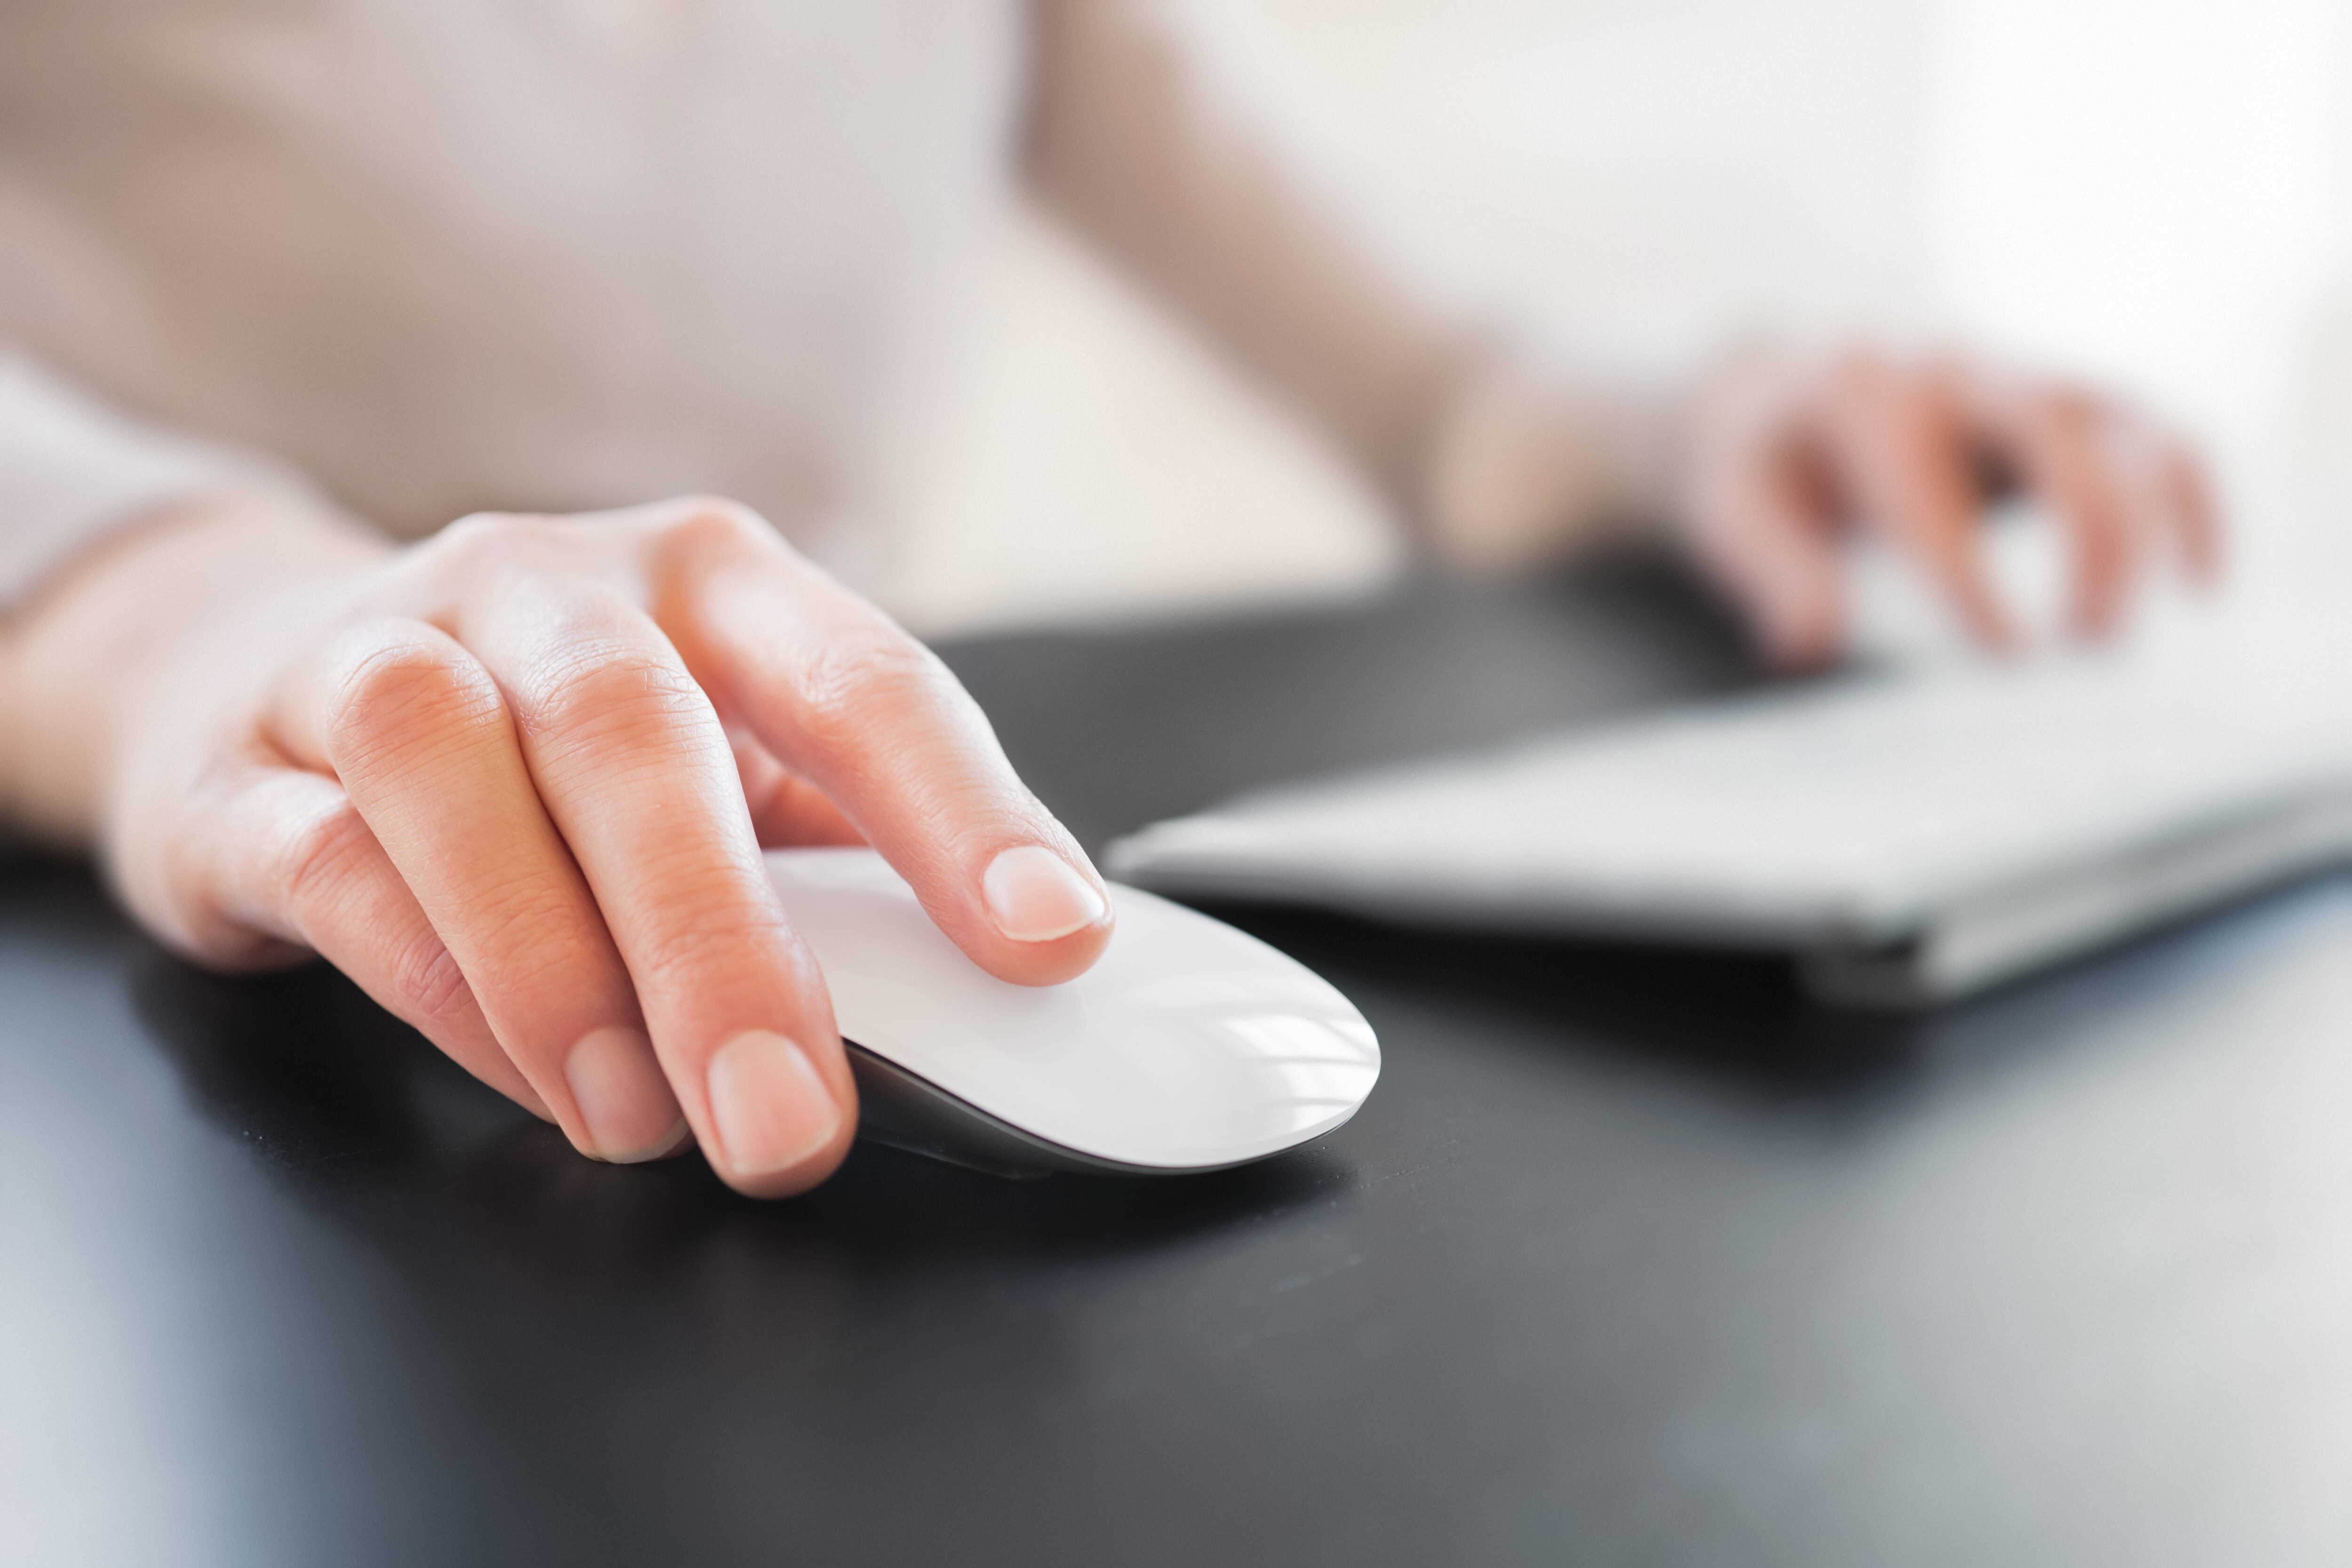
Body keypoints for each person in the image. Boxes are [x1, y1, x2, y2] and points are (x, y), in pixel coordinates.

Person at [0, 2, 2215, 1198]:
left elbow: (1443, 389)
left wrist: (1720, 414)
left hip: (777, 895)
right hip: (175, 966)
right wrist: (184, 618)